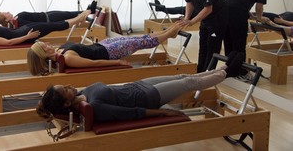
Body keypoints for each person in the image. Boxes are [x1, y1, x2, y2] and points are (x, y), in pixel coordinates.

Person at [36, 51, 245, 122]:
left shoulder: (80, 95)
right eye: (66, 89)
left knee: (182, 74)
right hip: (149, 96)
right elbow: (131, 113)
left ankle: (225, 67)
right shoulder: (94, 105)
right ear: (66, 101)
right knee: (187, 83)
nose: (70, 86)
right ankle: (228, 72)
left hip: (139, 85)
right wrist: (163, 114)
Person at [27, 24, 183, 75]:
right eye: (44, 46)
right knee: (141, 43)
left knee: (139, 38)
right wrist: (118, 63)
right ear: (44, 54)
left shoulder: (60, 51)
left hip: (103, 45)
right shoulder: (67, 57)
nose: (47, 44)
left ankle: (168, 32)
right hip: (109, 53)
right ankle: (170, 33)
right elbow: (92, 64)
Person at [224, 0, 274, 81]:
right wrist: (260, 18)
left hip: (225, 12)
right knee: (239, 45)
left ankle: (228, 71)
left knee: (229, 42)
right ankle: (241, 73)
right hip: (237, 15)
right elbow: (259, 7)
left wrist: (249, 14)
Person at [176, 0, 228, 73]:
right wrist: (186, 18)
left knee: (212, 47)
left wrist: (192, 21)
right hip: (206, 19)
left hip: (218, 18)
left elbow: (208, 9)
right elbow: (189, 3)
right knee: (203, 45)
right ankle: (200, 71)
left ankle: (208, 73)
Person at [0, 10, 91, 48]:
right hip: (25, 33)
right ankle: (79, 18)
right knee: (53, 26)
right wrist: (27, 37)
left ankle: (79, 17)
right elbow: (9, 42)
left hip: (24, 29)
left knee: (53, 25)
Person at [0, 1, 97, 28]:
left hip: (47, 15)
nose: (8, 12)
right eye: (6, 13)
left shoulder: (17, 18)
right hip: (49, 19)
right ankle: (89, 11)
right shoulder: (19, 21)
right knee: (68, 14)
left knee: (68, 13)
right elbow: (34, 25)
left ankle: (87, 12)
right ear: (6, 20)